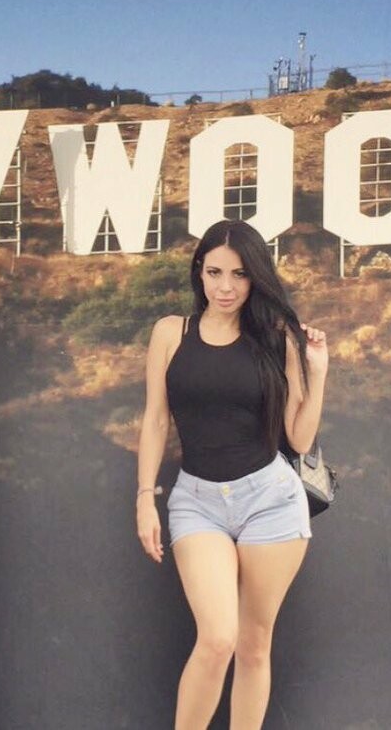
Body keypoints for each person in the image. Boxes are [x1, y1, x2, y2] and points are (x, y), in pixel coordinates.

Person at [136, 219, 328, 730]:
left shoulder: (276, 340)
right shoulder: (170, 333)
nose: (225, 286)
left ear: (255, 277)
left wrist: (318, 372)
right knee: (218, 637)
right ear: (199, 272)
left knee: (254, 643)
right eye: (215, 272)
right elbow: (155, 419)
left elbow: (300, 439)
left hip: (270, 500)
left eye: (239, 275)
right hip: (197, 501)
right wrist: (144, 497)